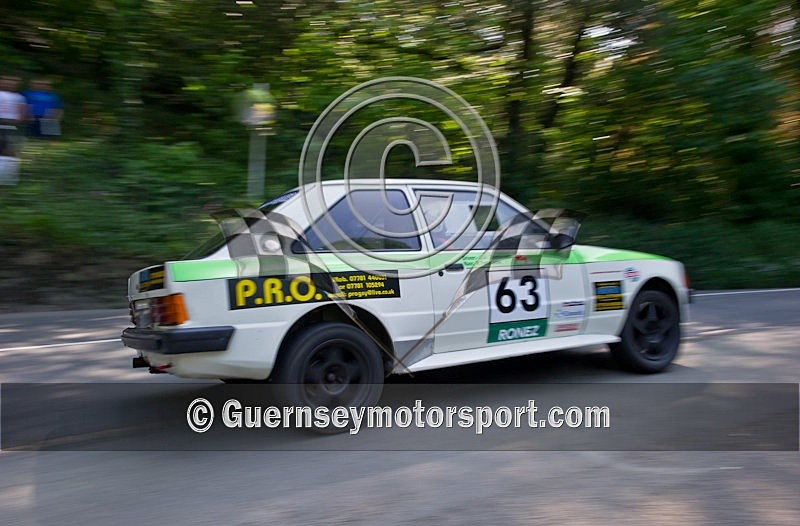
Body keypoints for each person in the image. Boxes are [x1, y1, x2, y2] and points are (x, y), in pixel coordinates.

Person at [0, 75, 26, 156]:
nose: (8, 86)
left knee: (11, 144)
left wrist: (19, 121)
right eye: (6, 84)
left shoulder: (20, 97)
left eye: (11, 85)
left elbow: (22, 111)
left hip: (13, 122)